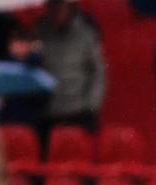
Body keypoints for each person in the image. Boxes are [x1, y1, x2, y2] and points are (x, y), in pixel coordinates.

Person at [36, 0, 106, 132]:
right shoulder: (40, 30)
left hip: (79, 110)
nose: (55, 13)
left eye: (59, 8)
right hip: (50, 111)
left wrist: (92, 105)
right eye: (52, 8)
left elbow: (98, 71)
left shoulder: (85, 33)